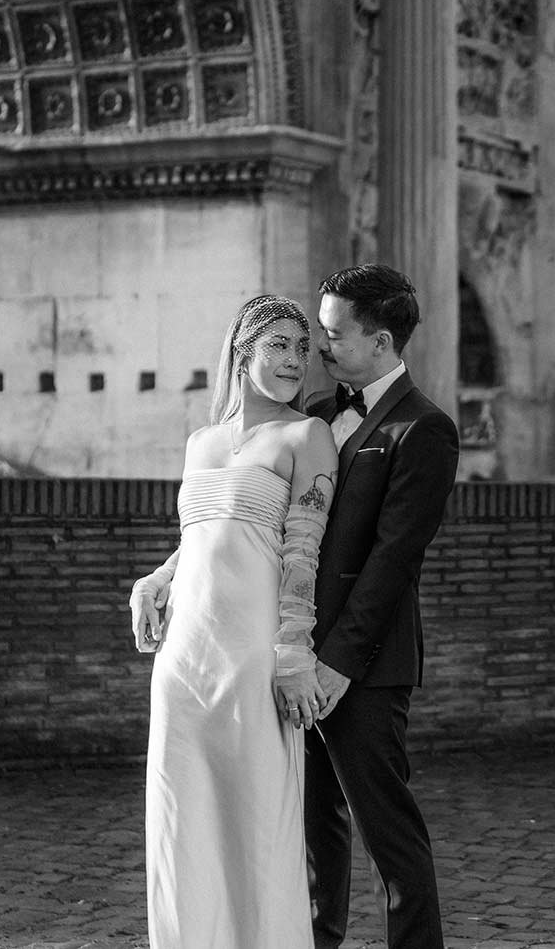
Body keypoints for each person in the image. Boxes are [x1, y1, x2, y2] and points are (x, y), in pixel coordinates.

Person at [128, 294, 339, 949]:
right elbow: (203, 533)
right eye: (280, 344)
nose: (295, 361)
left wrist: (293, 656)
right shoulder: (202, 441)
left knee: (258, 827)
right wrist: (156, 577)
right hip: (184, 660)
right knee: (180, 825)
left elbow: (302, 556)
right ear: (243, 349)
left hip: (253, 657)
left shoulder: (307, 436)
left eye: (303, 349)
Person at [303, 263, 460, 949]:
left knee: (389, 838)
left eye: (335, 333)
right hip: (293, 655)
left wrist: (339, 662)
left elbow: (394, 559)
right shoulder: (313, 416)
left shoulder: (425, 429)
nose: (321, 345)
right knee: (314, 833)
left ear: (384, 341)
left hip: (364, 666)